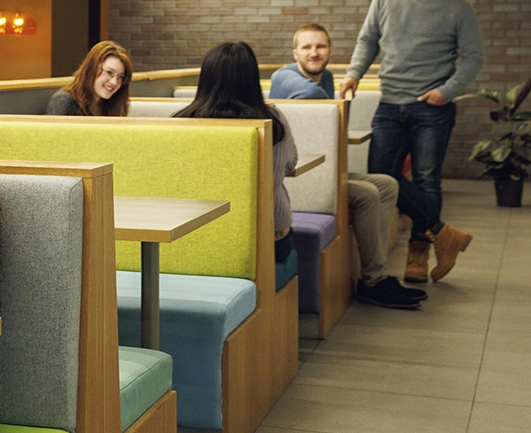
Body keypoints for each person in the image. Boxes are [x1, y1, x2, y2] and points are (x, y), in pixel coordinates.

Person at [342, 0, 484, 284]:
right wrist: (353, 74)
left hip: (431, 108)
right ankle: (443, 233)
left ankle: (418, 255)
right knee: (381, 176)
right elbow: (367, 40)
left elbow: (473, 59)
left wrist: (446, 91)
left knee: (426, 178)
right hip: (390, 103)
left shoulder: (457, 6)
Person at [269, 24, 422, 310]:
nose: (314, 53)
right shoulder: (285, 77)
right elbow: (318, 105)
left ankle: (375, 273)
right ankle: (374, 280)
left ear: (330, 50)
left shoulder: (326, 77)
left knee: (387, 184)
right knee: (366, 194)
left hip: (321, 170)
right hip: (293, 177)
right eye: (307, 47)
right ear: (295, 53)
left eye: (320, 47)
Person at [175, 42, 298, 267]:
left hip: (197, 238)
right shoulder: (273, 119)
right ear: (251, 79)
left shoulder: (183, 121)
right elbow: (291, 164)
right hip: (271, 240)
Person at [46, 40, 133, 116]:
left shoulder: (111, 106)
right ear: (91, 69)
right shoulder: (63, 101)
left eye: (120, 76)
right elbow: (50, 135)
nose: (114, 82)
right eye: (109, 72)